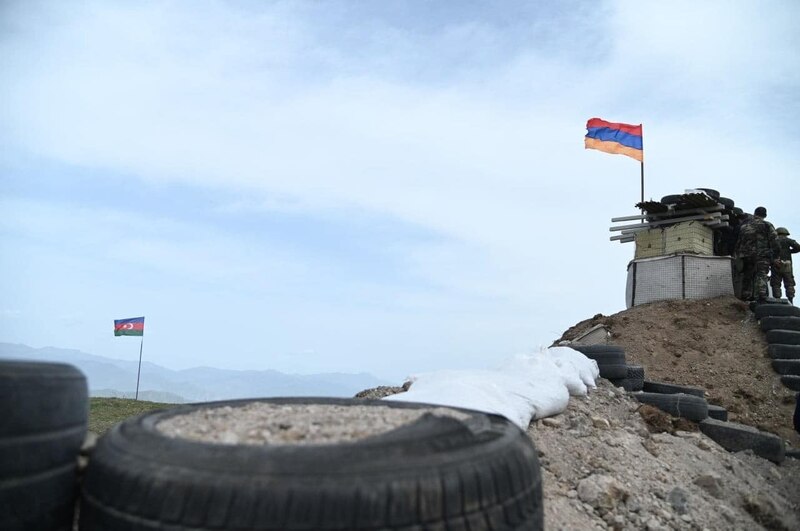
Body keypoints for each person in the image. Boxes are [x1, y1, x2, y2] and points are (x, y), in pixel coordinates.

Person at [734, 206, 780, 303]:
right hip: (762, 255)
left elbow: (739, 242)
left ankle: (745, 296)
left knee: (748, 275)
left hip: (746, 255)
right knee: (761, 274)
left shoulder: (744, 226)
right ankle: (761, 295)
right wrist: (775, 256)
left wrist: (739, 254)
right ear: (765, 215)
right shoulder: (766, 225)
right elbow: (775, 241)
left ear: (754, 213)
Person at [770, 227, 800, 304]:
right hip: (787, 265)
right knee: (789, 283)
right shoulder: (788, 240)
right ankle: (790, 299)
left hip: (776, 264)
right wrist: (790, 251)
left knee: (776, 283)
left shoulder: (773, 241)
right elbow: (798, 247)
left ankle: (777, 299)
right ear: (786, 234)